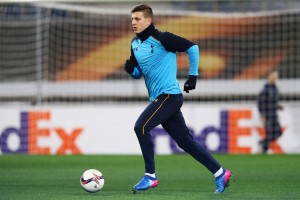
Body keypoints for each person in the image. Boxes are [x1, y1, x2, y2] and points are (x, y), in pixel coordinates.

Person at [124, 4, 231, 193]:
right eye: (132, 19)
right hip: (160, 98)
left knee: (141, 126)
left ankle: (150, 176)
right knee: (185, 142)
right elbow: (138, 72)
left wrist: (193, 76)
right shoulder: (134, 44)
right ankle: (220, 172)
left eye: (137, 19)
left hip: (169, 96)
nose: (133, 22)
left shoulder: (163, 38)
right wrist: (131, 70)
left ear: (148, 21)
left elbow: (193, 48)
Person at [258, 70, 283, 153]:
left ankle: (262, 143)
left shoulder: (276, 88)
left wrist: (279, 107)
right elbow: (261, 103)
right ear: (269, 77)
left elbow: (273, 102)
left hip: (274, 115)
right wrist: (262, 115)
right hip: (268, 116)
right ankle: (263, 150)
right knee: (269, 134)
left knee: (279, 132)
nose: (275, 78)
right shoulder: (265, 89)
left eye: (276, 77)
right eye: (273, 76)